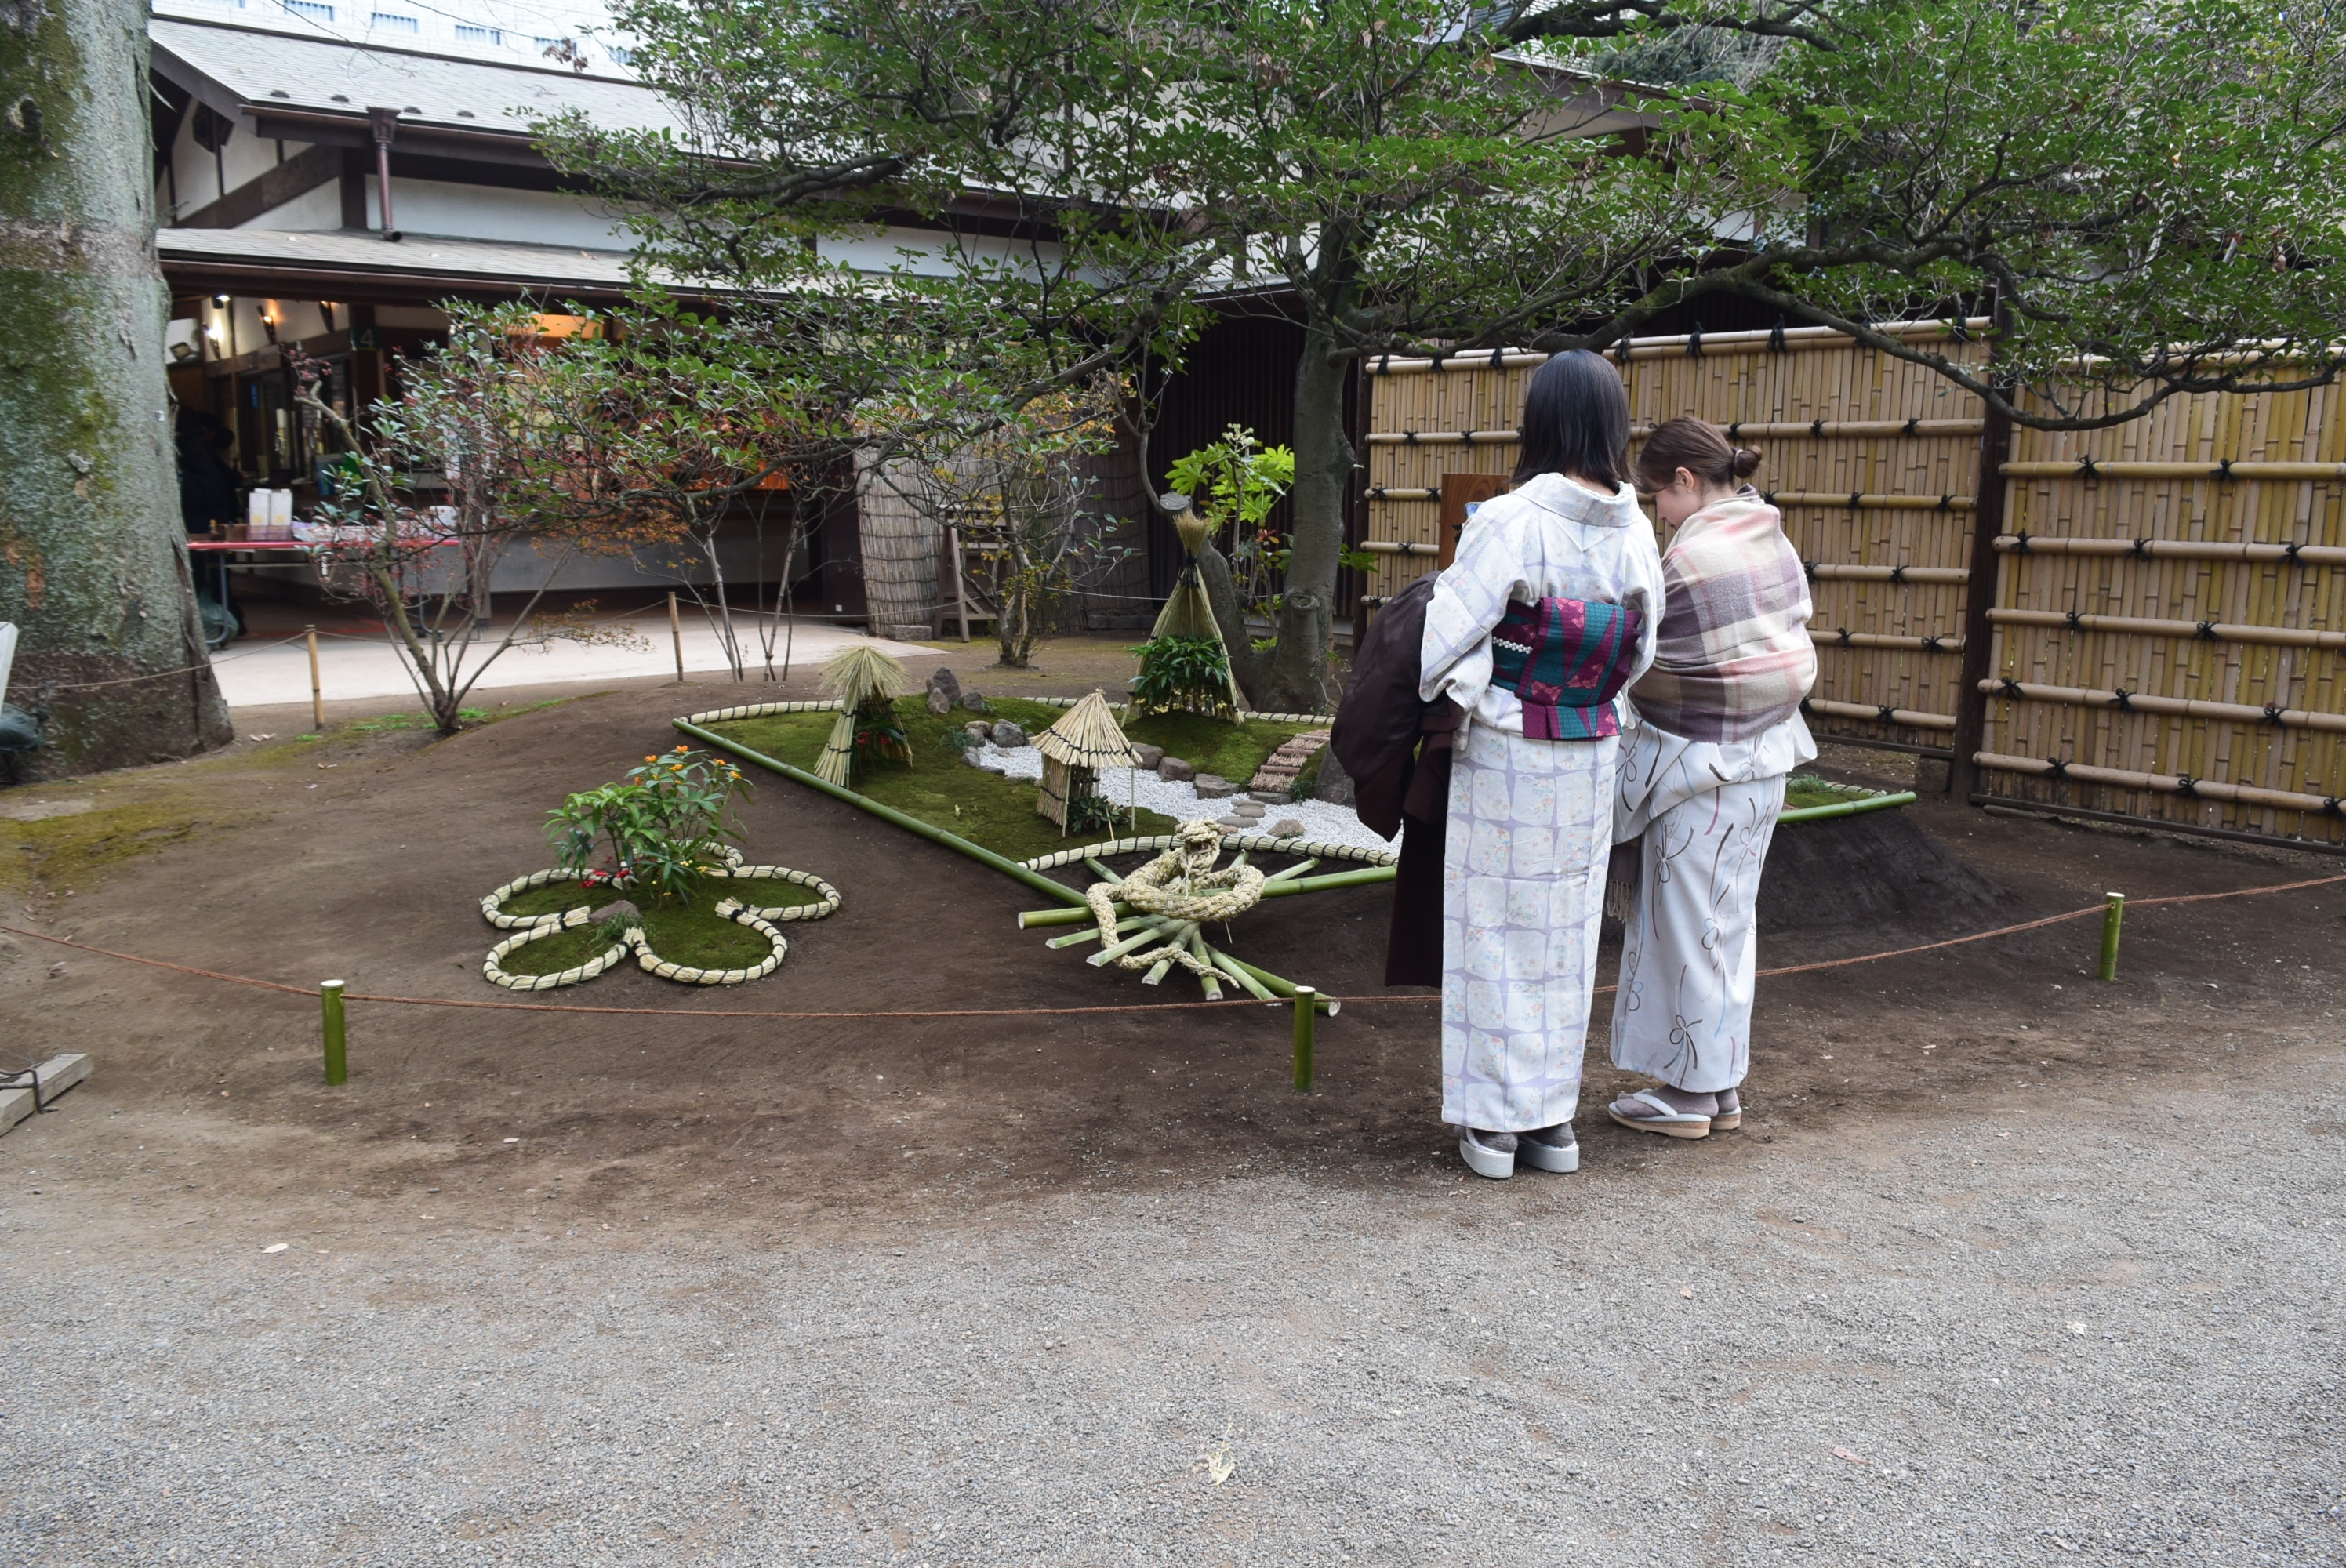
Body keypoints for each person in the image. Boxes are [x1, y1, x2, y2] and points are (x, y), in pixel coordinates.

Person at [1418, 350, 1664, 1180]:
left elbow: (1445, 640)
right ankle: (1551, 1122)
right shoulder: (1635, 529)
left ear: (1541, 421)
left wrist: (1473, 678)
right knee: (1565, 935)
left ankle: (1494, 1126)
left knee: (1495, 931)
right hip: (1589, 748)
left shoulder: (1509, 518)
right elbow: (1640, 651)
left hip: (1508, 751)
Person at [1605, 416, 1818, 1139]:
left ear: (1686, 480)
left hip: (1703, 765)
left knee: (1687, 927)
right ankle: (1718, 1084)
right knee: (1727, 924)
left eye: (1658, 496)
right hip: (1769, 753)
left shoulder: (1695, 554)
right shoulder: (1768, 531)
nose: (1659, 512)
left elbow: (1649, 660)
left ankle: (1689, 1094)